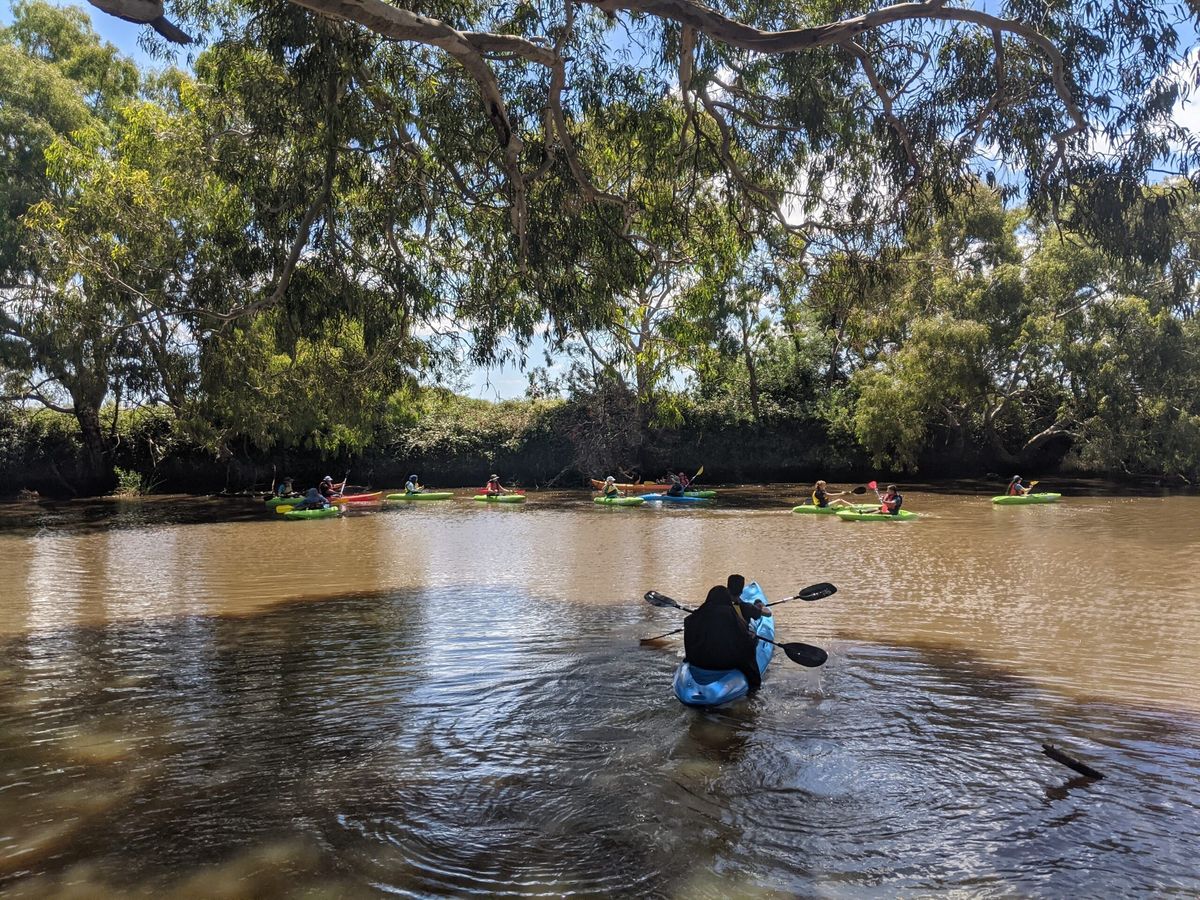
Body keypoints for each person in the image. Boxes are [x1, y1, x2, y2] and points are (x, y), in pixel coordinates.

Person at [683, 582, 769, 692]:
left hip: (698, 660)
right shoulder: (729, 613)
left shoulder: (695, 616)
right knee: (751, 643)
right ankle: (755, 688)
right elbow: (742, 640)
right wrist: (753, 639)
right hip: (725, 662)